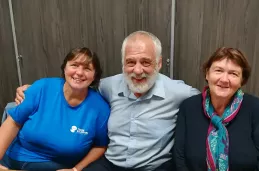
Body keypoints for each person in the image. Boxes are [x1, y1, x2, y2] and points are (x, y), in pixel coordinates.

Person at [14, 31, 200, 171]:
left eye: (145, 62)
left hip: (153, 167)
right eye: (130, 62)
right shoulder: (107, 86)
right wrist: (31, 91)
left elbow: (210, 101)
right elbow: (77, 82)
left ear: (159, 64)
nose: (137, 70)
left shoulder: (179, 92)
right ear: (123, 63)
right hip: (110, 164)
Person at [0, 47, 110, 171]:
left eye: (87, 68)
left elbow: (100, 146)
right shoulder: (42, 87)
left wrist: (76, 169)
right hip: (11, 157)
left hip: (51, 164)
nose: (79, 72)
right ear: (65, 68)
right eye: (74, 65)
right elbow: (13, 122)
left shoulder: (100, 109)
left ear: (95, 75)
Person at [173, 47, 259, 171]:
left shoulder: (256, 109)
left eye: (233, 73)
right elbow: (179, 159)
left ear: (242, 80)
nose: (224, 79)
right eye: (218, 70)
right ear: (207, 73)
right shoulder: (188, 107)